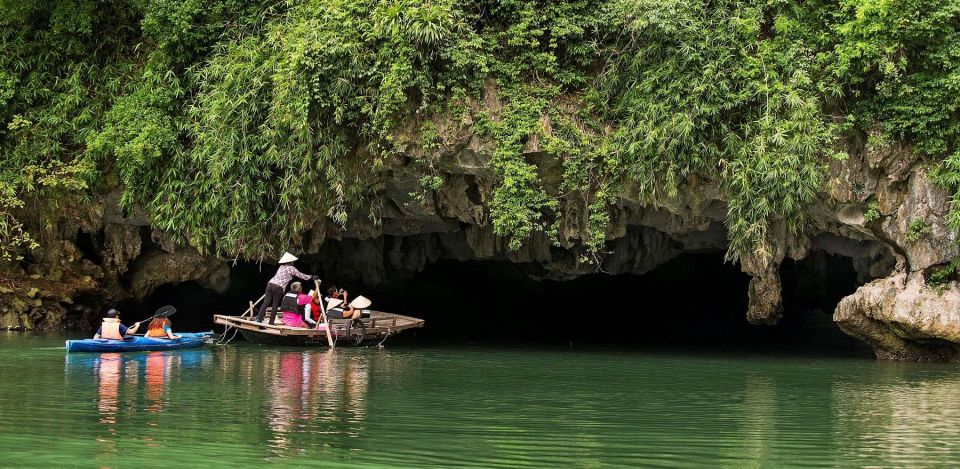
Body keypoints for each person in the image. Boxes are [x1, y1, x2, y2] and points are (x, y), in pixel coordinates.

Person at [255, 252, 315, 324]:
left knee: (266, 302)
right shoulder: (291, 268)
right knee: (275, 305)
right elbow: (300, 275)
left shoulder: (281, 267)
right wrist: (311, 277)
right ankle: (271, 322)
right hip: (278, 287)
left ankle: (258, 319)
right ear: (290, 262)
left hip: (270, 284)